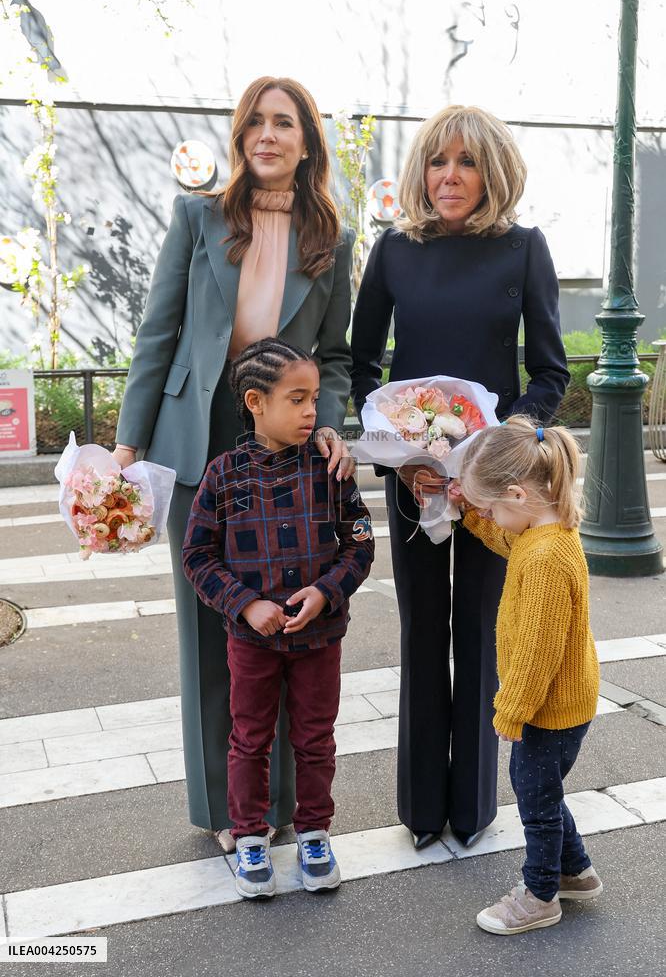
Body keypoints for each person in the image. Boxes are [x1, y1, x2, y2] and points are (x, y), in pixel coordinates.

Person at [113, 76, 356, 851]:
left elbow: (340, 356)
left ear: (306, 140)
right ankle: (226, 808)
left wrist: (334, 424)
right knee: (213, 620)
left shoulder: (333, 239)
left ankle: (282, 804)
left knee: (289, 621)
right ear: (240, 136)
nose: (266, 134)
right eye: (254, 121)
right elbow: (159, 334)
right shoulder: (197, 218)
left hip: (286, 447)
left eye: (283, 122)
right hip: (199, 435)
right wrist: (127, 443)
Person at [350, 104, 570, 851]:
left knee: (481, 628)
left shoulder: (524, 250)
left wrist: (506, 438)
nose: (450, 176)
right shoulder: (393, 251)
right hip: (412, 473)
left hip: (492, 481)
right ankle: (420, 810)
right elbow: (361, 365)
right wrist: (401, 446)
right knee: (422, 629)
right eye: (439, 161)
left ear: (492, 172)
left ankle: (474, 807)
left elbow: (548, 372)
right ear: (422, 170)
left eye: (467, 163)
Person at [182, 338, 374, 898]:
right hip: (252, 641)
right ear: (255, 402)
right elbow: (197, 555)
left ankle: (315, 833)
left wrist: (326, 592)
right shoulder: (223, 476)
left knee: (316, 739)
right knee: (249, 739)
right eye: (297, 398)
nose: (312, 410)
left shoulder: (330, 468)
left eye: (314, 397)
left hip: (321, 637)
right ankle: (248, 837)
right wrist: (244, 603)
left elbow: (359, 544)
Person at [449, 416, 601, 935]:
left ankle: (540, 894)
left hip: (547, 708)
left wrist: (510, 711)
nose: (488, 515)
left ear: (517, 494)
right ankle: (574, 870)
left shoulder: (544, 560)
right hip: (562, 702)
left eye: (491, 506)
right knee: (546, 789)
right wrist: (471, 513)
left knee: (535, 799)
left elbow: (538, 652)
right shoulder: (545, 533)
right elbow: (505, 538)